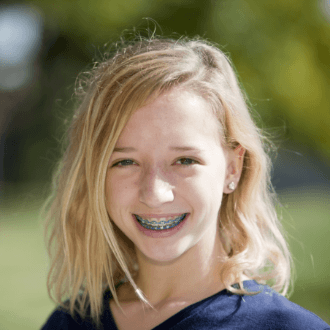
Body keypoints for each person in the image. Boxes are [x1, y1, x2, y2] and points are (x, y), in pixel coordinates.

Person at [41, 34, 330, 330]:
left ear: (233, 168)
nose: (154, 194)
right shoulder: (68, 324)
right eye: (125, 162)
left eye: (184, 161)